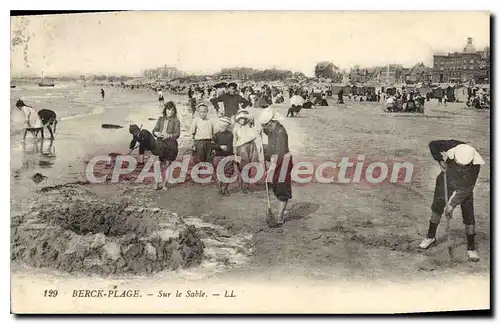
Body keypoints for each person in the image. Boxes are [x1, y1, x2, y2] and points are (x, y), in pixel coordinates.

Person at [419, 140, 485, 262]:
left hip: (464, 186)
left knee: (468, 212)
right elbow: (433, 144)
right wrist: (439, 160)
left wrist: (452, 205)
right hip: (446, 179)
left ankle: (471, 248)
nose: (460, 166)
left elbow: (466, 189)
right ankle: (430, 236)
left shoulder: (475, 166)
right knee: (437, 206)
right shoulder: (453, 145)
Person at [259, 108, 293, 228]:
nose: (267, 127)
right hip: (276, 159)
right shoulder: (273, 130)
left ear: (274, 121)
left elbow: (281, 151)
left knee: (282, 187)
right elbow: (268, 134)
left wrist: (273, 165)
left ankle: (280, 217)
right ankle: (280, 210)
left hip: (283, 161)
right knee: (275, 185)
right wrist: (262, 131)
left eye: (267, 125)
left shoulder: (280, 132)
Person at [152, 101, 181, 190]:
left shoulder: (176, 120)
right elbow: (154, 130)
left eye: (172, 110)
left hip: (170, 143)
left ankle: (165, 183)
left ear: (174, 111)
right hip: (160, 142)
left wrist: (169, 135)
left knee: (168, 163)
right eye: (169, 110)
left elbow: (177, 134)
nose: (170, 112)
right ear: (165, 110)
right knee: (157, 162)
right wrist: (157, 133)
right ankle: (157, 182)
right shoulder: (160, 119)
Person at [233, 109, 261, 194]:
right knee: (243, 167)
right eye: (241, 118)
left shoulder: (250, 126)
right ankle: (242, 186)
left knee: (249, 166)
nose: (243, 120)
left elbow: (256, 133)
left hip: (251, 146)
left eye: (244, 118)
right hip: (242, 148)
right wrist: (234, 151)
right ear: (238, 119)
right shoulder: (236, 128)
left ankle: (246, 186)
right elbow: (235, 140)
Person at [212, 116, 235, 196]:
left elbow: (232, 146)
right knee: (219, 173)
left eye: (225, 127)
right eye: (221, 126)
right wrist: (219, 147)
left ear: (227, 127)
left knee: (228, 173)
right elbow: (211, 145)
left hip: (228, 156)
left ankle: (225, 188)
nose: (222, 128)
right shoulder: (216, 135)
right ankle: (220, 188)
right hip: (218, 156)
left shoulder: (230, 135)